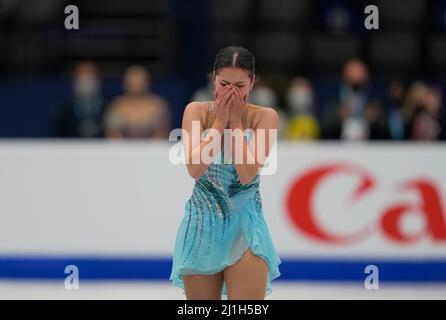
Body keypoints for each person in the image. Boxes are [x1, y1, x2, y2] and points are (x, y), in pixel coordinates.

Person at [169, 46, 282, 300]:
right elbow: (195, 169)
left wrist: (236, 124)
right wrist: (219, 123)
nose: (231, 92)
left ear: (252, 82)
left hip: (246, 227)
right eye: (224, 84)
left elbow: (246, 174)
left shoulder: (265, 117)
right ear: (213, 80)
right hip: (201, 224)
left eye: (239, 85)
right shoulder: (195, 111)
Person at [104, 65, 171, 139]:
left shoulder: (158, 105)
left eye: (140, 82)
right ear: (125, 83)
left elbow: (162, 134)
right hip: (122, 149)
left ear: (147, 82)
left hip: (153, 149)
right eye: (133, 82)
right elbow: (112, 135)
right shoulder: (117, 105)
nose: (136, 85)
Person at [56, 61, 107, 138]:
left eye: (90, 77)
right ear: (74, 81)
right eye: (82, 77)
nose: (86, 81)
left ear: (98, 80)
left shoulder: (110, 107)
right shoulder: (65, 110)